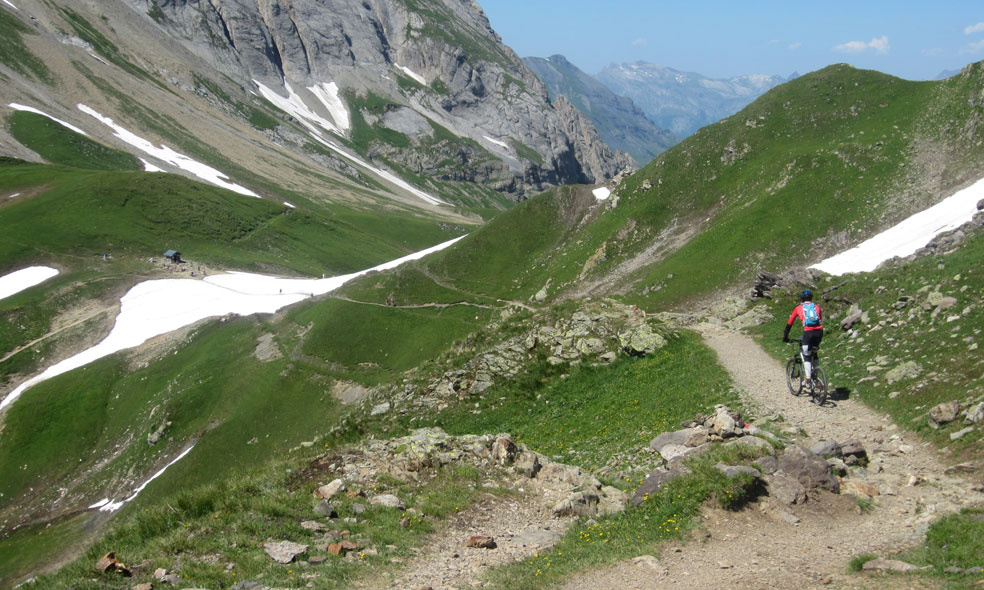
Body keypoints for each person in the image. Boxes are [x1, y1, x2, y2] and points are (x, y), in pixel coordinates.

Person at [783, 289, 823, 385]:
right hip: (819, 332)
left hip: (808, 332)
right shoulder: (816, 307)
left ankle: (808, 380)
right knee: (814, 353)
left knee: (807, 355)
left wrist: (785, 336)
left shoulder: (798, 308)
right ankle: (816, 376)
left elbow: (789, 323)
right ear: (811, 298)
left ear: (801, 299)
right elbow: (820, 319)